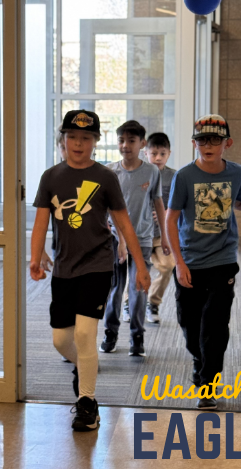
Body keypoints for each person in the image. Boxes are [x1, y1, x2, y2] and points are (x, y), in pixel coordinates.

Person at [30, 110, 150, 432]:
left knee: (85, 335)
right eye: (72, 137)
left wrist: (140, 265)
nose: (78, 143)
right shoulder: (51, 177)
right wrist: (35, 256)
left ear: (95, 142)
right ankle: (83, 368)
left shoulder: (105, 177)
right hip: (64, 268)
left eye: (86, 138)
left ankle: (88, 403)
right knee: (60, 340)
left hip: (97, 264)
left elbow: (124, 223)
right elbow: (42, 221)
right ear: (63, 141)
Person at [165, 114, 241, 410]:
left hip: (223, 260)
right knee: (189, 325)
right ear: (194, 144)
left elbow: (240, 201)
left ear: (227, 143)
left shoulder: (237, 172)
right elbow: (171, 218)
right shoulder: (185, 176)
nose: (209, 145)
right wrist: (179, 263)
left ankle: (208, 384)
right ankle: (200, 360)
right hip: (190, 261)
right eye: (203, 140)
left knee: (215, 326)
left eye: (215, 139)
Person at [101, 121, 168, 357]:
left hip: (143, 238)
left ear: (142, 143)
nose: (125, 145)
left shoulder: (151, 171)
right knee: (116, 289)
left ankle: (137, 336)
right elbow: (108, 208)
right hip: (115, 239)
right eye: (121, 140)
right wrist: (119, 239)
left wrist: (166, 236)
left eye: (131, 141)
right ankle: (110, 332)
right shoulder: (110, 171)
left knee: (139, 288)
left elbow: (158, 202)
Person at [145, 132, 176, 324]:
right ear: (146, 153)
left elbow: (178, 204)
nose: (158, 158)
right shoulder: (140, 173)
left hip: (162, 234)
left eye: (162, 154)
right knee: (135, 269)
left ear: (168, 154)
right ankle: (127, 303)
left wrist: (165, 213)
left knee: (167, 266)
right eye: (154, 153)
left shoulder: (174, 177)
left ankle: (153, 302)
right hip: (140, 232)